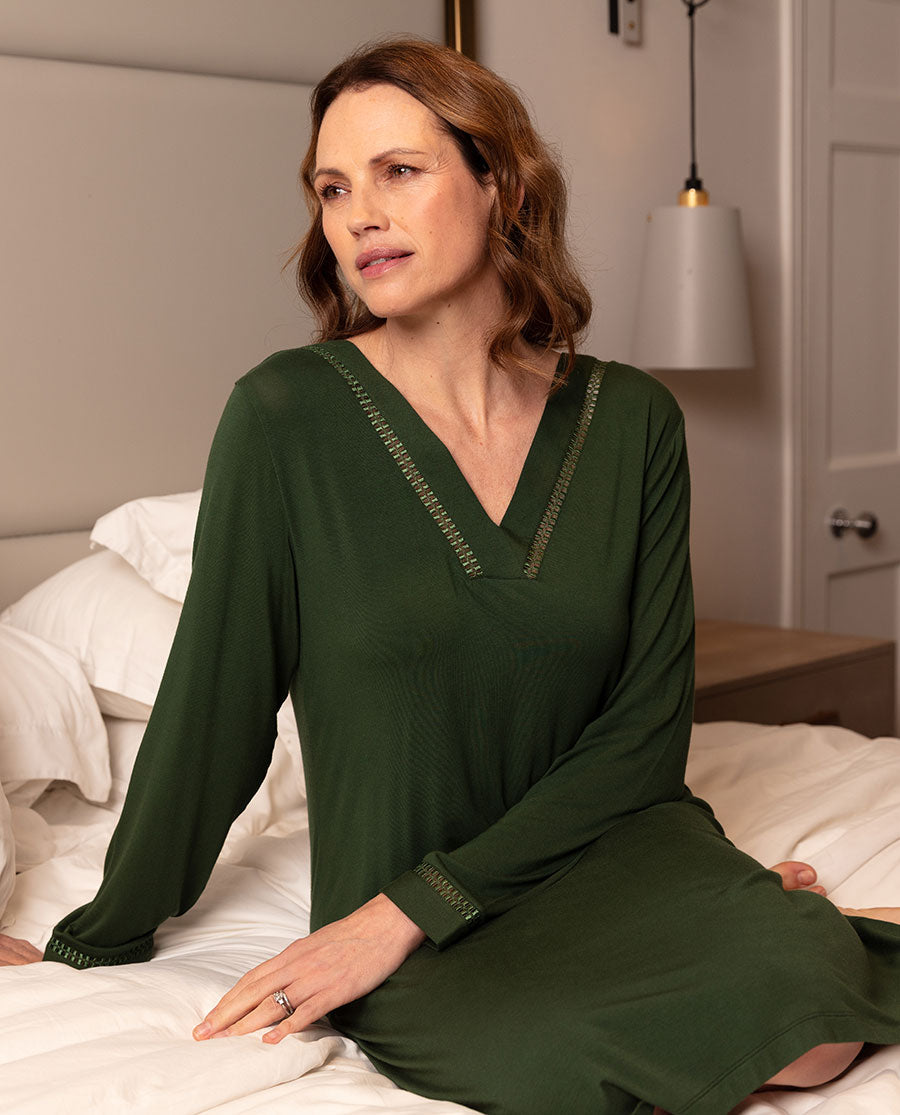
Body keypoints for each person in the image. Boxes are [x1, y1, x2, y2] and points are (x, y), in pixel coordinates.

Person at [3, 36, 900, 1115]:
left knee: (813, 1036)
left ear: (501, 185)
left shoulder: (633, 420)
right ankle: (770, 928)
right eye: (333, 188)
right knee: (550, 1063)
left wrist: (407, 910)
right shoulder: (286, 416)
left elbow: (645, 730)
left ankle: (768, 923)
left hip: (611, 842)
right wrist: (92, 939)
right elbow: (214, 712)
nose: (357, 215)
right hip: (414, 920)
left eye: (399, 171)